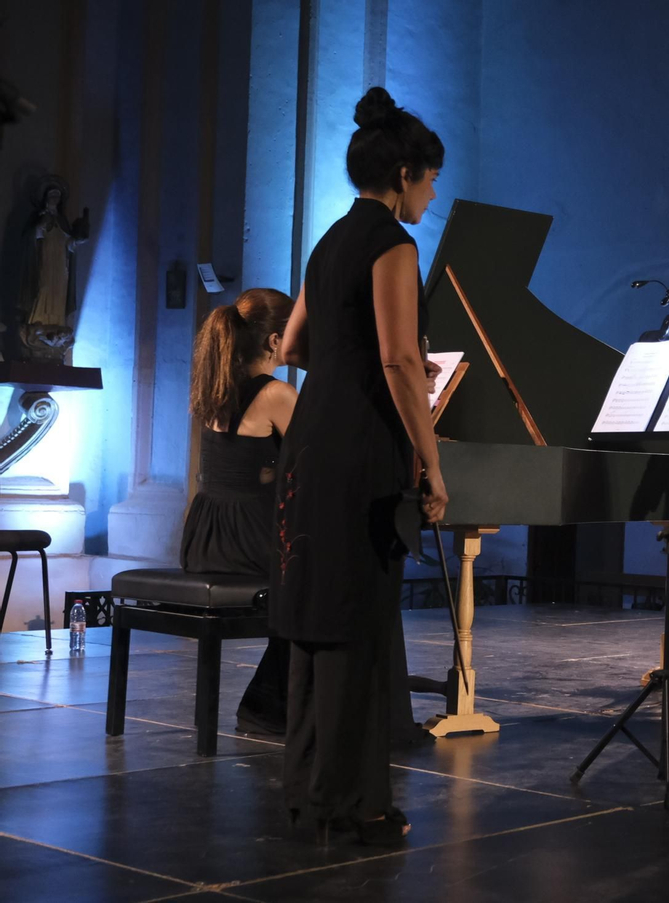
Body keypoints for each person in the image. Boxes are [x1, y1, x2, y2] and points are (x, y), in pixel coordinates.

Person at [271, 87, 446, 846]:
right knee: (357, 625)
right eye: (431, 180)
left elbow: (292, 349)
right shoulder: (393, 244)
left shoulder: (329, 240)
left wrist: (348, 368)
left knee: (316, 623)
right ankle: (353, 807)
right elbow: (402, 358)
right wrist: (432, 466)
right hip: (360, 453)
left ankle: (311, 795)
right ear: (403, 173)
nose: (433, 195)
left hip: (310, 442)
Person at [182, 288, 297, 736]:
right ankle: (270, 706)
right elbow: (325, 456)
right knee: (323, 581)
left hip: (206, 540)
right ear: (273, 342)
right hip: (248, 542)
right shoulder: (276, 394)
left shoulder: (217, 386)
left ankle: (269, 704)